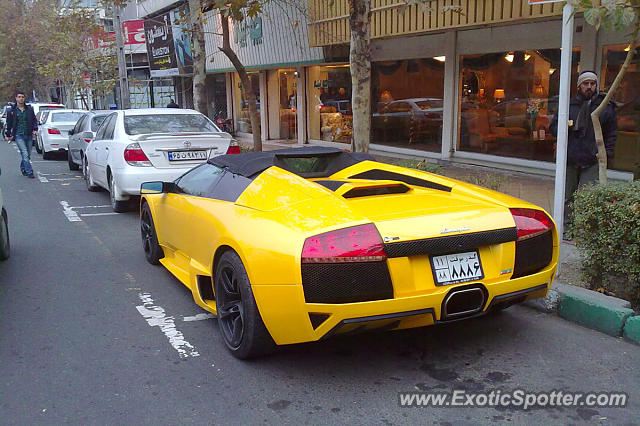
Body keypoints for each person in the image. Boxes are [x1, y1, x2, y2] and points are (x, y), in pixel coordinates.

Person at [550, 70, 617, 238]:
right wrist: (566, 127)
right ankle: (567, 228)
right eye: (585, 84)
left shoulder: (605, 107)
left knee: (588, 198)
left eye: (592, 84)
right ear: (579, 86)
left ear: (596, 85)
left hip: (592, 159)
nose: (589, 87)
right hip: (570, 158)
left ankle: (587, 232)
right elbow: (553, 128)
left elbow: (611, 133)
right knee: (567, 197)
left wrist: (606, 154)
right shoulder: (568, 105)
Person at [4, 91, 38, 178]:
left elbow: (34, 120)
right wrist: (8, 134)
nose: (21, 98)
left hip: (29, 134)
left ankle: (23, 168)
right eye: (19, 97)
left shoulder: (29, 109)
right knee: (25, 153)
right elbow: (9, 123)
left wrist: (35, 129)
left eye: (22, 97)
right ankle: (29, 172)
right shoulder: (12, 110)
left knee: (28, 154)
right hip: (19, 135)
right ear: (16, 98)